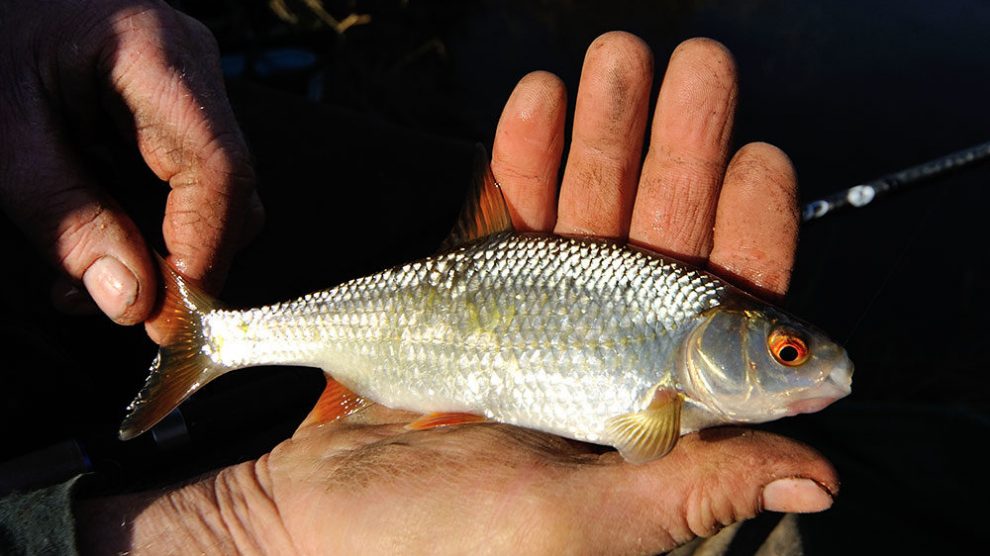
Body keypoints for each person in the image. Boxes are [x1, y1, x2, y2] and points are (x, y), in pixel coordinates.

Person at [0, 1, 837, 553]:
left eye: (790, 353)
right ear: (719, 334)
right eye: (790, 354)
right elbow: (645, 438)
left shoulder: (679, 344)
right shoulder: (673, 378)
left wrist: (246, 532)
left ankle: (215, 342)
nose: (804, 365)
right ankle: (215, 341)